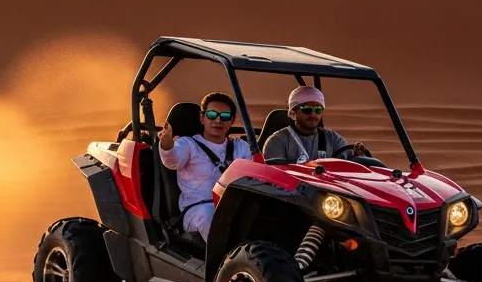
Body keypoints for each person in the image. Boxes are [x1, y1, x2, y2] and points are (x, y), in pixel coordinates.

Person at [158, 95, 252, 240]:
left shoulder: (241, 147)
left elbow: (257, 174)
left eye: (225, 116)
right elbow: (173, 160)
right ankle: (228, 261)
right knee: (211, 215)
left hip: (234, 207)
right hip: (198, 209)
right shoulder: (188, 144)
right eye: (212, 115)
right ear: (202, 118)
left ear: (232, 121)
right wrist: (167, 145)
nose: (218, 120)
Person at [262, 86, 371, 164]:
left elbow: (349, 165)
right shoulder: (277, 141)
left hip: (331, 194)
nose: (313, 114)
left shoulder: (332, 139)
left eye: (318, 109)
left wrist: (359, 157)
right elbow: (275, 179)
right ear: (294, 111)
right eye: (307, 109)